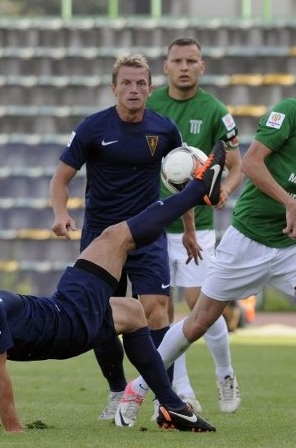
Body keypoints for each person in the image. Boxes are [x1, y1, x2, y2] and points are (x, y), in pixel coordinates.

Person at [115, 58, 296, 435]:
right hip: (247, 240)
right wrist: (289, 201)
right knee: (200, 321)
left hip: (293, 245)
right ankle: (136, 389)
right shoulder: (288, 113)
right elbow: (249, 164)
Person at [0, 143, 227, 434]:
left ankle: (173, 408)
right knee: (116, 236)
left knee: (133, 313)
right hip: (68, 319)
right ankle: (200, 188)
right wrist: (13, 430)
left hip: (61, 314)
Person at [49, 54, 192, 420]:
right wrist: (61, 213)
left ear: (150, 88)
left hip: (146, 233)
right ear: (114, 88)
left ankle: (164, 398)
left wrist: (189, 230)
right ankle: (116, 391)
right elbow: (61, 178)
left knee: (157, 310)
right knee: (103, 318)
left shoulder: (164, 129)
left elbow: (181, 185)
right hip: (101, 238)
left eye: (140, 83)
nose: (133, 89)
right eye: (126, 83)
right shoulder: (92, 128)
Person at [145, 37, 244, 415]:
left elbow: (236, 166)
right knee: (160, 313)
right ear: (165, 67)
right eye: (177, 60)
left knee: (201, 304)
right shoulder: (151, 106)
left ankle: (224, 373)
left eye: (191, 61)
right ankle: (182, 390)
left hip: (198, 225)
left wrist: (225, 192)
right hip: (154, 224)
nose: (184, 66)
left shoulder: (216, 110)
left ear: (202, 67)